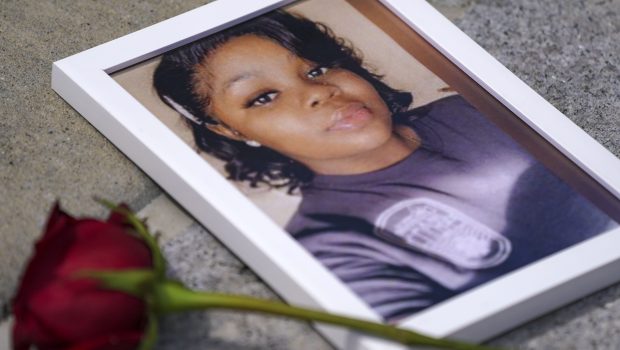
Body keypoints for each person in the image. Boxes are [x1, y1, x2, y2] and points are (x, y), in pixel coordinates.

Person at [153, 10, 617, 322]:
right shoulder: (330, 247)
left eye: (315, 69)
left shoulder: (475, 108)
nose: (319, 91)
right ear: (231, 132)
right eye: (264, 97)